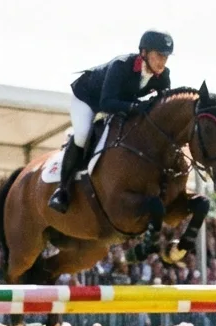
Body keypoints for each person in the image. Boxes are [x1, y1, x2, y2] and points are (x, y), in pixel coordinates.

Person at [48, 30, 174, 213]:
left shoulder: (163, 75)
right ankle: (62, 189)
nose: (162, 62)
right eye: (158, 55)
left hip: (118, 101)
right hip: (88, 99)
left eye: (166, 57)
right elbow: (106, 103)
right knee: (83, 134)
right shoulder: (121, 66)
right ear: (144, 53)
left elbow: (162, 105)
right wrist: (136, 107)